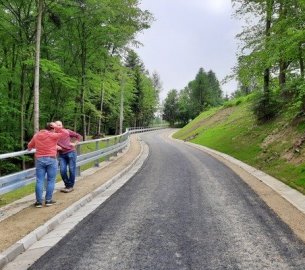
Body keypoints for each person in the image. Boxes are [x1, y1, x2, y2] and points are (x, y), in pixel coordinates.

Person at [28, 122, 68, 208]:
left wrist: (30, 149)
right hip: (51, 159)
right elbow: (65, 132)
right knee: (51, 180)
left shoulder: (37, 135)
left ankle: (38, 202)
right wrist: (57, 127)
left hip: (39, 160)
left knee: (39, 180)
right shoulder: (53, 135)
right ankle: (48, 201)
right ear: (52, 128)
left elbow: (29, 146)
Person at [55, 120, 82, 193]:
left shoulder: (67, 131)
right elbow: (50, 143)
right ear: (54, 126)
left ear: (62, 126)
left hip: (71, 153)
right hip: (61, 155)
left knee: (71, 169)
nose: (58, 126)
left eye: (60, 125)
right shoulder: (53, 134)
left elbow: (78, 136)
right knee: (62, 171)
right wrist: (56, 146)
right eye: (57, 125)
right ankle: (67, 185)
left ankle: (70, 186)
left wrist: (75, 143)